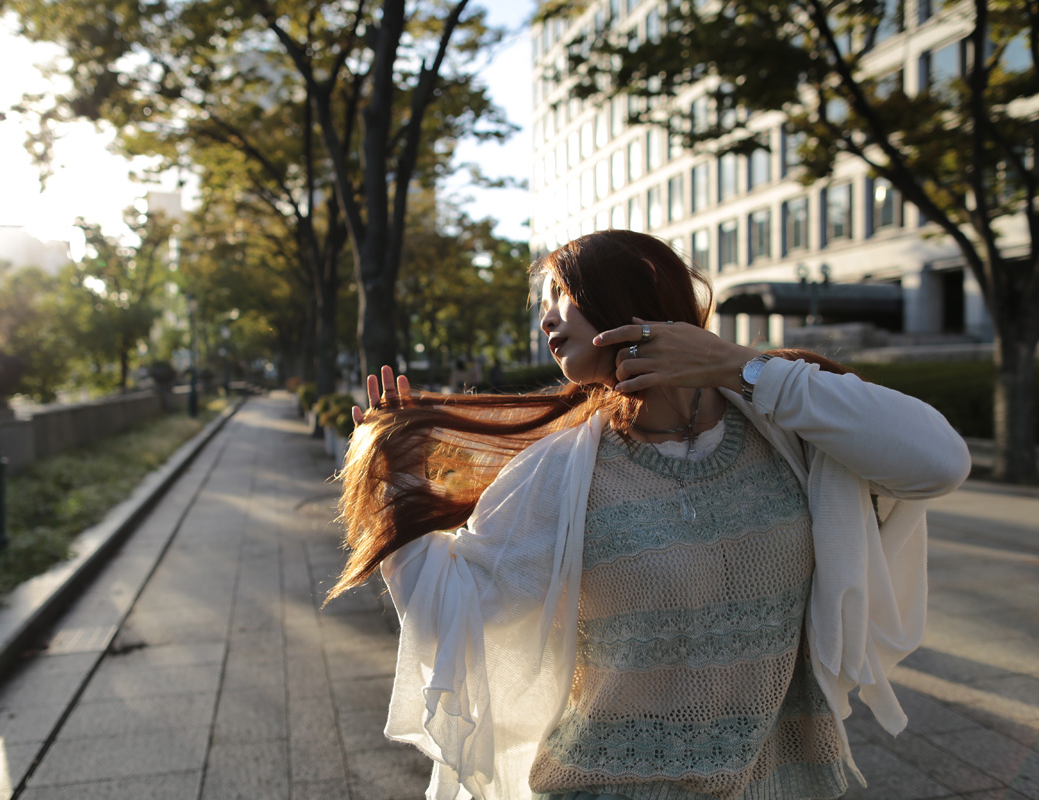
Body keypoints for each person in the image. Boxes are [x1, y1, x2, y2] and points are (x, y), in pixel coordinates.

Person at [330, 230, 970, 800]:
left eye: (561, 294)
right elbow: (451, 609)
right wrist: (396, 483)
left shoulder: (786, 428)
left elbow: (939, 462)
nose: (546, 318)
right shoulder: (563, 471)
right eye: (544, 303)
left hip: (786, 779)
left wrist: (736, 365)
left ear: (632, 291)